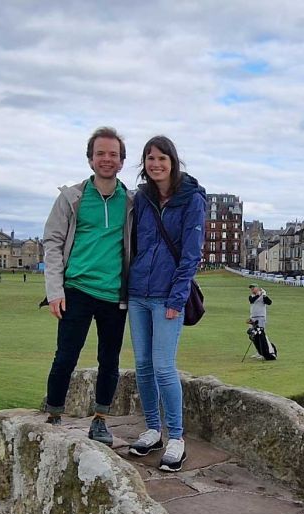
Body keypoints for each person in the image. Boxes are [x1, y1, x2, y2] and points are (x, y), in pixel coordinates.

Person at [41, 126, 134, 446]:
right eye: (100, 154)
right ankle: (53, 414)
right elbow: (52, 243)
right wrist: (54, 291)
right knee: (65, 356)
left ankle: (100, 420)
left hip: (114, 294)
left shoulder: (133, 202)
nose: (106, 159)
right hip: (76, 289)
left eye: (113, 154)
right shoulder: (72, 198)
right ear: (90, 159)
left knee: (110, 360)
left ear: (122, 161)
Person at [126, 136, 205, 472]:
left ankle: (176, 437)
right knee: (142, 365)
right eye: (149, 158)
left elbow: (191, 254)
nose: (155, 164)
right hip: (137, 293)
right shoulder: (142, 198)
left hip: (166, 296)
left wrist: (176, 297)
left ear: (173, 161)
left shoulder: (192, 198)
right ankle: (153, 430)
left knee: (163, 366)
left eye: (161, 158)